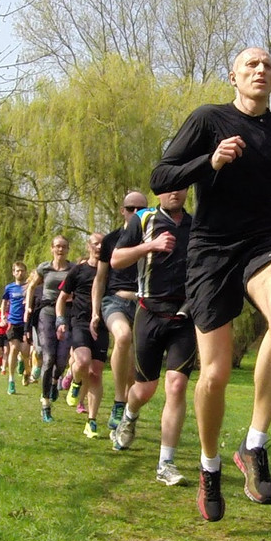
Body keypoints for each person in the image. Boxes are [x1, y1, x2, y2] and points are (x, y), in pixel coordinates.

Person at [150, 46, 271, 522]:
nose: (260, 70)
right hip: (209, 250)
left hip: (262, 241)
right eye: (250, 66)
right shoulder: (209, 120)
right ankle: (209, 466)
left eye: (267, 65)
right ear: (234, 77)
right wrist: (210, 163)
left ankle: (254, 444)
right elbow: (162, 175)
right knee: (215, 375)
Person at [109, 188, 196, 488]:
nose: (175, 192)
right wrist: (151, 246)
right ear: (159, 191)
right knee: (145, 389)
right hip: (148, 313)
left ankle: (165, 463)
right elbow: (117, 259)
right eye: (169, 187)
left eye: (181, 186)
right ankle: (130, 415)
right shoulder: (143, 221)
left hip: (184, 316)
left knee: (177, 385)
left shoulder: (195, 225)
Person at [93, 191, 150, 437]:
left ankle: (126, 421)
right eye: (131, 208)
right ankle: (118, 402)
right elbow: (100, 278)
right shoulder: (111, 240)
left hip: (143, 304)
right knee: (123, 337)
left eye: (142, 208)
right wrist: (94, 312)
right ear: (122, 210)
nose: (136, 212)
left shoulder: (153, 238)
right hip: (114, 300)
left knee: (132, 373)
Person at [56, 233, 108, 439]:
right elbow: (62, 299)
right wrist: (60, 321)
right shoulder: (78, 270)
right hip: (79, 322)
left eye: (103, 244)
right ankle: (75, 380)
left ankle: (92, 421)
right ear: (89, 246)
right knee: (83, 361)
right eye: (96, 243)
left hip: (102, 325)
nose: (99, 247)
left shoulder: (110, 270)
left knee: (95, 372)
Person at [25, 236, 74, 422]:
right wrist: (28, 308)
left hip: (66, 314)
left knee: (62, 360)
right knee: (48, 357)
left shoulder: (73, 269)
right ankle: (45, 403)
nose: (60, 249)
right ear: (52, 249)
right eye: (57, 246)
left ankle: (55, 382)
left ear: (68, 249)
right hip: (46, 312)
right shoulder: (44, 268)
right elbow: (31, 287)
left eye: (64, 247)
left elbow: (78, 289)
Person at [1, 262, 32, 394]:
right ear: (13, 273)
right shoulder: (9, 288)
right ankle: (11, 381)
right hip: (13, 322)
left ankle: (26, 371)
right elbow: (4, 302)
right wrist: (3, 316)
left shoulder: (29, 287)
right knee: (14, 348)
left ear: (25, 272)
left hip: (26, 323)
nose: (20, 273)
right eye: (17, 271)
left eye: (22, 271)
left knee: (25, 352)